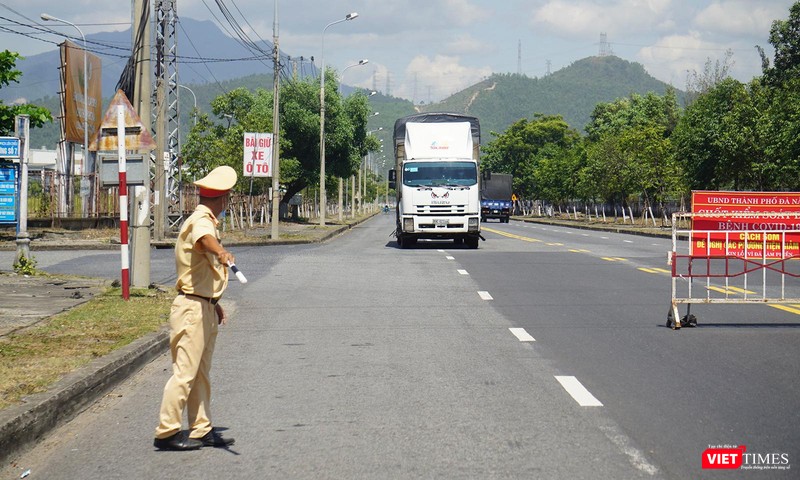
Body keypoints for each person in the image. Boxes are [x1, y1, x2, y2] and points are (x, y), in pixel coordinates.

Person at [153, 165, 238, 451]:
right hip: (190, 308)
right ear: (223, 198)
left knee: (200, 372)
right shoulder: (201, 220)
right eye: (227, 198)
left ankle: (201, 429)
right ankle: (166, 432)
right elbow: (205, 241)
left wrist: (214, 304)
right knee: (186, 373)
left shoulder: (206, 219)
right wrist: (222, 252)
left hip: (202, 305)